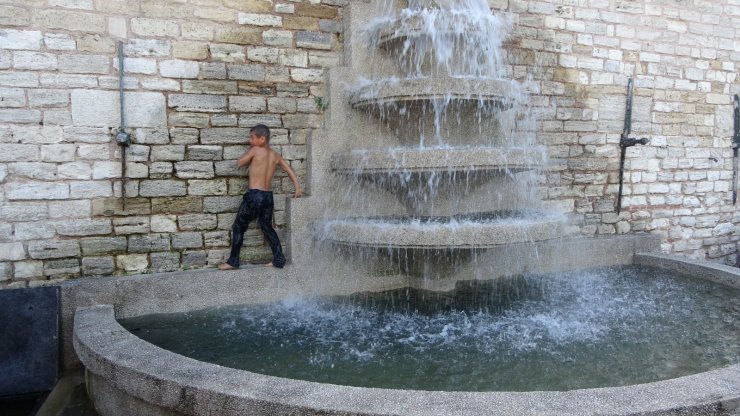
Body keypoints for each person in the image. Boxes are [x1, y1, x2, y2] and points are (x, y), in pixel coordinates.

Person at [219, 124, 303, 270]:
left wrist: (248, 153)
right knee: (267, 227)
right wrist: (297, 187)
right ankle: (278, 259)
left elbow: (240, 163)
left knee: (239, 227)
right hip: (268, 197)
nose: (249, 140)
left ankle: (233, 261)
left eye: (252, 137)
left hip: (254, 195)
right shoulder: (275, 155)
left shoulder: (255, 150)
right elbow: (289, 170)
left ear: (262, 139)